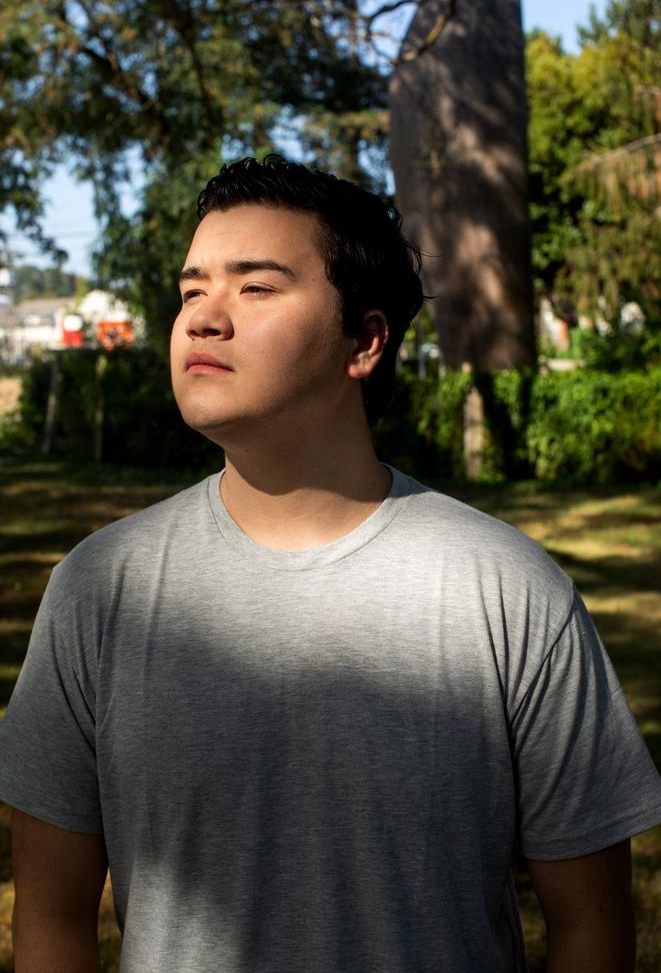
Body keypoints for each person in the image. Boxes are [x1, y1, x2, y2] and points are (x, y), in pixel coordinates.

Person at [1, 155, 660, 973]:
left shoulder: (508, 591)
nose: (204, 318)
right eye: (190, 290)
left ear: (365, 339)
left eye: (256, 287)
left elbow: (591, 931)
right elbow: (53, 924)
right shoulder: (100, 591)